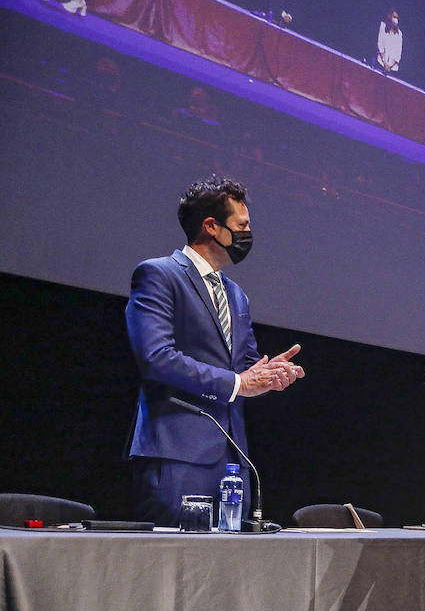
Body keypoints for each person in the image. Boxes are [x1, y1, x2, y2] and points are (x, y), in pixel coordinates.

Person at [126, 176, 305, 525]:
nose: (248, 233)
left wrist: (270, 375)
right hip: (177, 454)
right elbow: (156, 358)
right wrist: (238, 384)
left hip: (233, 460)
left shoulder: (236, 294)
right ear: (211, 226)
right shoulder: (159, 275)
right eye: (242, 225)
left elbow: (246, 366)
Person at [376, 8, 403, 73]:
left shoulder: (399, 34)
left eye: (397, 18)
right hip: (381, 63)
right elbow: (380, 44)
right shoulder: (383, 26)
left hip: (392, 68)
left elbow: (398, 53)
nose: (396, 20)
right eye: (394, 17)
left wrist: (389, 66)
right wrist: (384, 63)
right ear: (390, 16)